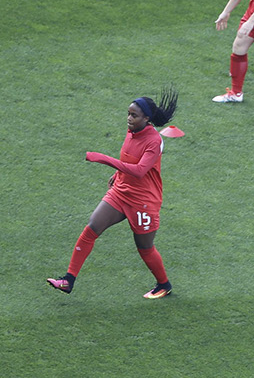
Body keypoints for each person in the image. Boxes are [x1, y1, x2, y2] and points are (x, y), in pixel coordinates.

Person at [47, 90, 179, 299]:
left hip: (143, 201)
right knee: (92, 227)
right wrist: (117, 173)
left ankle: (164, 284)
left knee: (145, 247)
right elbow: (128, 157)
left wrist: (103, 158)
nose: (129, 119)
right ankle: (68, 280)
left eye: (134, 115)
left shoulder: (154, 141)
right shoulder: (132, 131)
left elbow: (139, 170)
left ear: (147, 118)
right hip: (122, 191)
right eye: (128, 113)